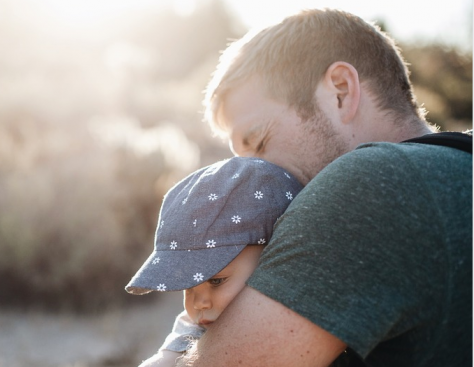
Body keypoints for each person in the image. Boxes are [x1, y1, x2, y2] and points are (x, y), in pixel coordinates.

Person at [168, 8, 472, 367]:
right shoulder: (456, 167)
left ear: (341, 90)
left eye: (259, 141)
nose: (249, 175)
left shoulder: (368, 185)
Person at [125, 157, 303, 367]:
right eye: (188, 287)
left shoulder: (300, 314)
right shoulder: (202, 325)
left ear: (272, 254)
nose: (198, 304)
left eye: (216, 281)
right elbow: (168, 358)